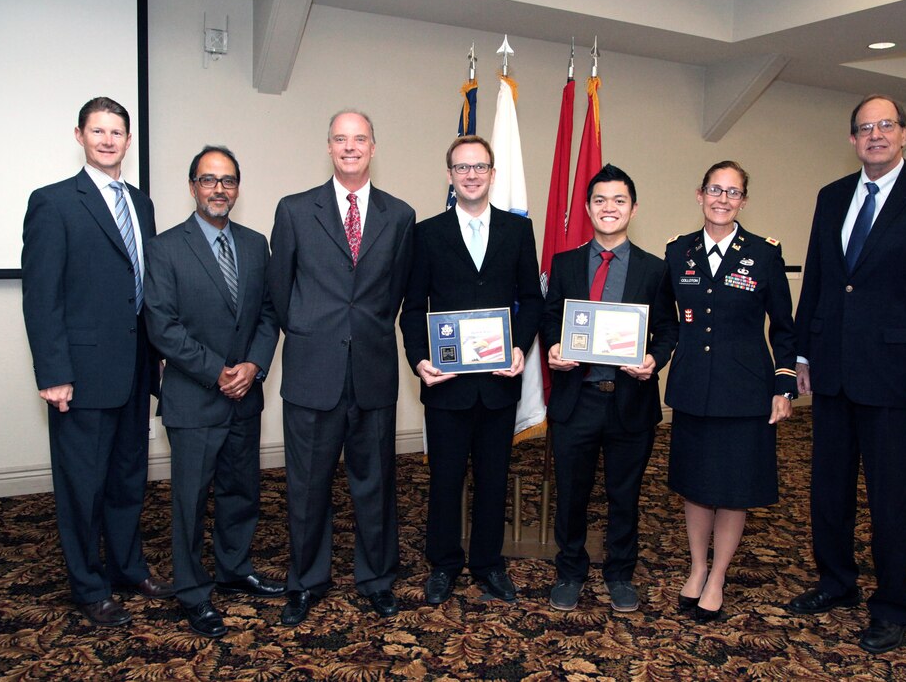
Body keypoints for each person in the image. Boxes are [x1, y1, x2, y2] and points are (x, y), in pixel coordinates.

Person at [788, 95, 906, 653]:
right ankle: (836, 583)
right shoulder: (832, 196)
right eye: (865, 128)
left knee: (893, 499)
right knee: (829, 493)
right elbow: (818, 280)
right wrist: (802, 355)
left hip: (899, 379)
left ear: (904, 133)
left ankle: (892, 605)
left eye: (885, 125)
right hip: (834, 374)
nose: (876, 135)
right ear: (852, 140)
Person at [21, 97, 172, 627]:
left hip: (135, 368)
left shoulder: (142, 203)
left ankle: (127, 567)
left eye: (117, 132)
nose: (108, 140)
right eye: (98, 131)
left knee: (129, 477)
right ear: (80, 135)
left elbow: (147, 290)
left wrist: (157, 359)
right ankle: (87, 586)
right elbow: (41, 298)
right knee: (82, 485)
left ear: (128, 141)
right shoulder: (54, 202)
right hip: (81, 374)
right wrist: (54, 373)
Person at [268, 110, 415, 624]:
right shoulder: (293, 210)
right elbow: (279, 293)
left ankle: (376, 578)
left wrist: (361, 332)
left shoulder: (400, 216)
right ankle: (306, 581)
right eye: (340, 139)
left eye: (360, 139)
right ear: (328, 147)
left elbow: (394, 293)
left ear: (374, 147)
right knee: (307, 486)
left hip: (373, 370)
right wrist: (314, 331)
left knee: (375, 483)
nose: (350, 147)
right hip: (313, 371)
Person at [143, 146, 284, 638]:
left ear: (237, 188)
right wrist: (219, 371)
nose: (218, 189)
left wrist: (254, 365)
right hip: (194, 397)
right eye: (208, 180)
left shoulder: (254, 243)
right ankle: (192, 591)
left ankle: (235, 568)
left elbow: (269, 314)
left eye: (227, 181)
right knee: (189, 499)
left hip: (246, 394)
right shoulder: (163, 248)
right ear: (192, 187)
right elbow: (162, 326)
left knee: (241, 491)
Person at [400, 135, 543, 604]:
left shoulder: (517, 231)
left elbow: (533, 302)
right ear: (449, 176)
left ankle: (487, 563)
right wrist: (420, 360)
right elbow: (412, 308)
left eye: (480, 166)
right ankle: (443, 563)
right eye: (462, 167)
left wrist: (520, 347)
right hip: (448, 386)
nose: (471, 174)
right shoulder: (426, 233)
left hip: (500, 384)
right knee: (444, 479)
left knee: (493, 477)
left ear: (492, 173)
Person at [659, 160, 796, 623]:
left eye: (732, 192)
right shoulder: (678, 252)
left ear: (743, 201)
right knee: (695, 486)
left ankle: (718, 575)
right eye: (714, 190)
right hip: (694, 386)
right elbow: (665, 323)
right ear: (700, 195)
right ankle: (697, 568)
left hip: (745, 391)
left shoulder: (764, 254)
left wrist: (784, 384)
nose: (722, 199)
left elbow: (783, 326)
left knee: (733, 489)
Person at [540, 164, 672, 613]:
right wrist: (553, 347)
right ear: (587, 208)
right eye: (600, 200)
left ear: (633, 208)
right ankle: (570, 571)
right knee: (571, 494)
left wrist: (655, 358)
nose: (609, 208)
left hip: (629, 401)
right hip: (576, 401)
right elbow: (548, 317)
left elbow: (669, 329)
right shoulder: (565, 263)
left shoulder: (656, 269)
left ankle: (620, 574)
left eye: (618, 200)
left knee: (624, 495)